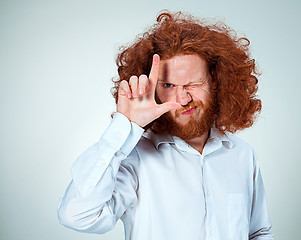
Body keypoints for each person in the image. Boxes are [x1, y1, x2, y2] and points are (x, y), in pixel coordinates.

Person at [57, 11, 274, 240]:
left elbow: (258, 232)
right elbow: (76, 215)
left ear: (216, 82)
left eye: (193, 84)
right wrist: (125, 125)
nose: (182, 99)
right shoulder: (135, 158)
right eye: (169, 85)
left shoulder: (242, 155)